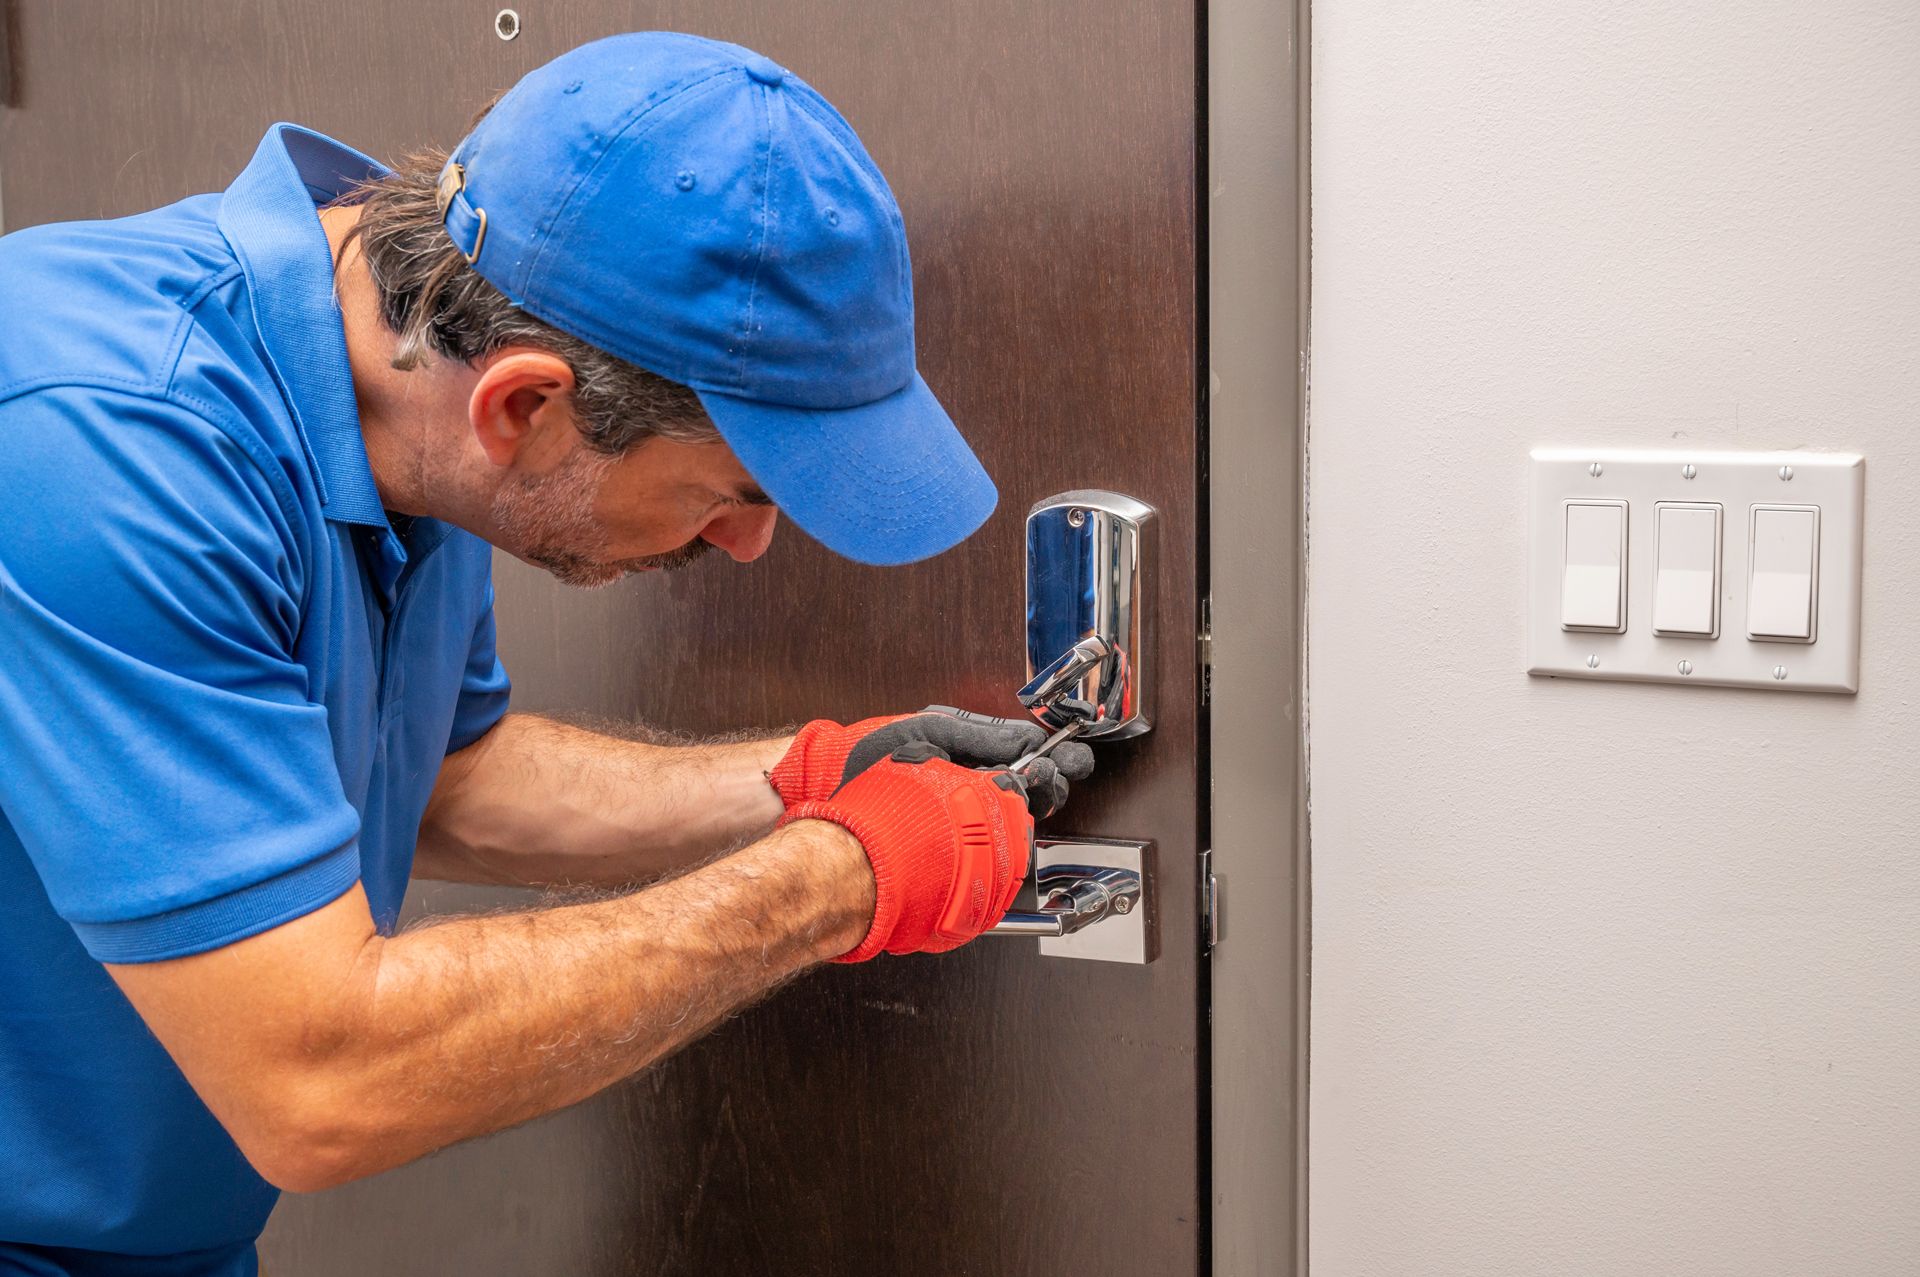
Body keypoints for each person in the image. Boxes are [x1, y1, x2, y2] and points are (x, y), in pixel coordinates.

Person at [0, 31, 1094, 1276]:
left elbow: (447, 779)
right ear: (522, 404)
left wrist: (806, 778)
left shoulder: (412, 404)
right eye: (734, 489)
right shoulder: (100, 448)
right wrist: (834, 880)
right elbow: (320, 1075)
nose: (747, 544)